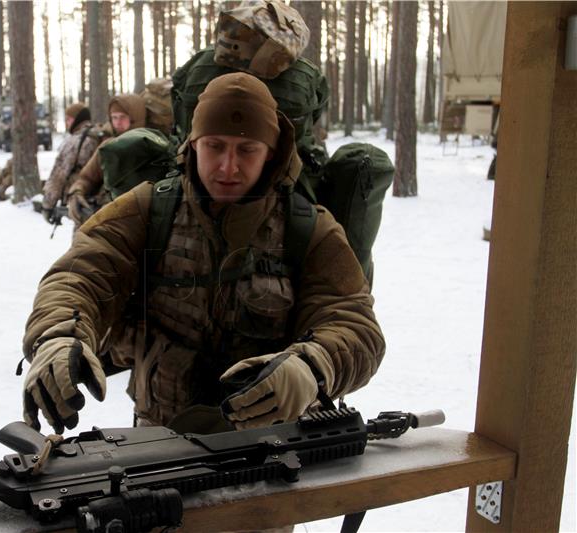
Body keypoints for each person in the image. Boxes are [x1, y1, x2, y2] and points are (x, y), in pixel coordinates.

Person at [21, 73, 384, 444]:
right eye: (215, 146)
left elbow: (353, 322)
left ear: (271, 152)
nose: (228, 166)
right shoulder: (149, 209)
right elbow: (80, 274)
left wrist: (313, 367)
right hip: (160, 443)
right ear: (193, 144)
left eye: (247, 150)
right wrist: (59, 336)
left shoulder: (309, 229)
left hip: (278, 446)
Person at [65, 94, 146, 227]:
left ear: (135, 118)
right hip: (107, 220)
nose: (118, 122)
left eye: (123, 117)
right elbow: (86, 178)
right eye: (114, 117)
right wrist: (77, 192)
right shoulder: (108, 146)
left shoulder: (154, 145)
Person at [41, 102, 100, 224]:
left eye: (68, 119)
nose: (67, 123)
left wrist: (48, 205)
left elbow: (58, 176)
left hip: (82, 203)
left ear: (77, 119)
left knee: (80, 241)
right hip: (101, 203)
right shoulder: (98, 135)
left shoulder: (75, 141)